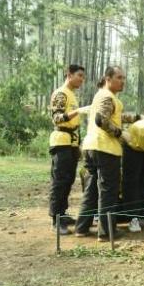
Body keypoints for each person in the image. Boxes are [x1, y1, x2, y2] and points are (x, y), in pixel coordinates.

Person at [74, 66, 140, 241]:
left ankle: (81, 227)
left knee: (92, 190)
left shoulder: (101, 96)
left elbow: (113, 116)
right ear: (108, 79)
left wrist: (137, 118)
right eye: (119, 77)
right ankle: (106, 232)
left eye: (123, 78)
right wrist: (120, 133)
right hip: (105, 149)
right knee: (108, 191)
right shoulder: (107, 96)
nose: (123, 81)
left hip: (90, 147)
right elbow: (101, 120)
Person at [48, 64, 88, 234]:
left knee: (69, 179)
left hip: (72, 142)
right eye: (79, 75)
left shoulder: (72, 94)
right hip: (61, 140)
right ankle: (56, 220)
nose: (82, 79)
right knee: (60, 181)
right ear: (69, 75)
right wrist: (77, 111)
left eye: (83, 76)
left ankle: (62, 213)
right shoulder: (61, 93)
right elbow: (57, 118)